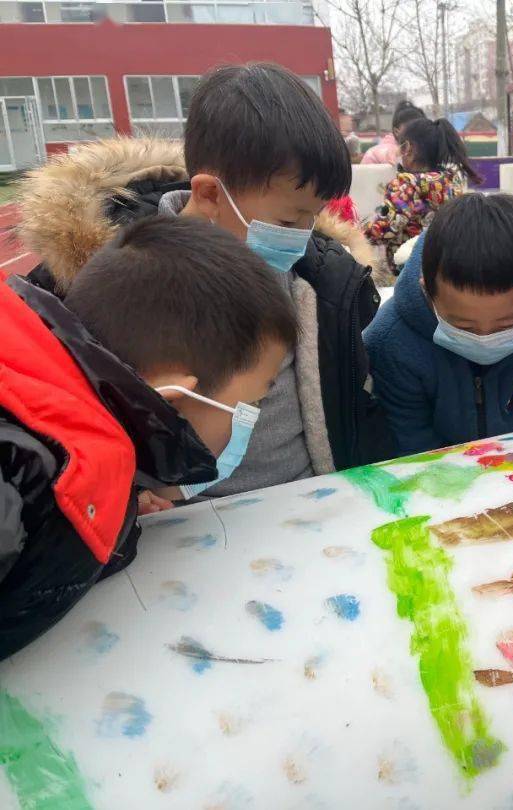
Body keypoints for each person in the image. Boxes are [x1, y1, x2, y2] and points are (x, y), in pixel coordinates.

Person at [16, 63, 396, 497]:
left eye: (314, 217)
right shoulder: (97, 283)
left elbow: (347, 404)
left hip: (306, 500)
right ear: (211, 194)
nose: (305, 235)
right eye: (290, 219)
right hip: (177, 526)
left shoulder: (320, 279)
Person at [1, 216, 297, 660]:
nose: (247, 423)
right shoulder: (23, 481)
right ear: (174, 398)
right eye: (249, 403)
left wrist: (109, 507)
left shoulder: (71, 444)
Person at [365, 193, 513, 454]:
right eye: (464, 327)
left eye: (507, 325)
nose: (485, 337)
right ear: (428, 294)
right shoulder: (390, 340)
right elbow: (410, 443)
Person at [363, 117, 481, 269]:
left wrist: (353, 234)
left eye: (401, 147)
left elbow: (385, 228)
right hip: (446, 265)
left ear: (409, 149)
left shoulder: (406, 185)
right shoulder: (451, 181)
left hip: (410, 267)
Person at [361, 100, 426, 166]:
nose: (416, 132)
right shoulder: (374, 155)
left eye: (421, 127)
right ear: (396, 131)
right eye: (410, 128)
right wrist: (395, 154)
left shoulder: (426, 149)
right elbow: (388, 152)